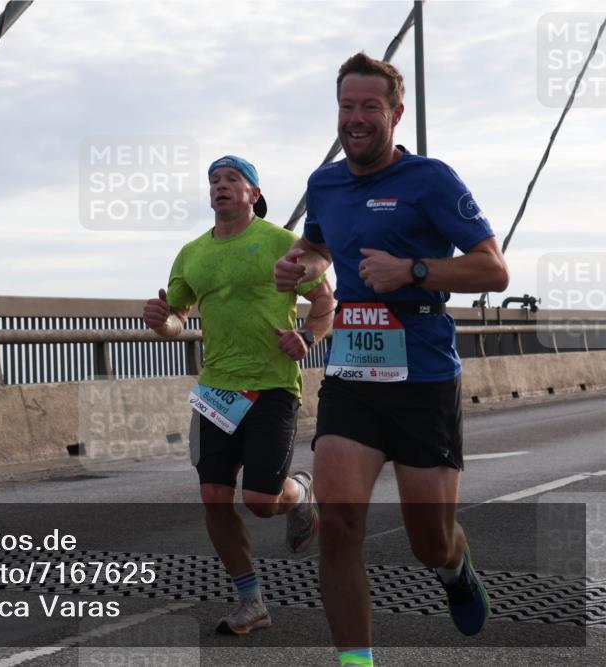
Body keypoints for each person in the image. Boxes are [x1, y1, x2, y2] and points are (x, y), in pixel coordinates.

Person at [275, 53, 509, 667]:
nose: (356, 118)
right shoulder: (323, 182)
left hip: (424, 373)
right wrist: (302, 264)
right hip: (353, 372)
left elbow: (493, 266)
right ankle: (357, 662)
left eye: (369, 107)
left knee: (429, 540)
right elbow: (320, 245)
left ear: (395, 113)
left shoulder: (432, 179)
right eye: (347, 106)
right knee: (341, 527)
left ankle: (454, 569)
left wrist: (414, 270)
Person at [143, 155, 336, 635]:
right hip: (216, 390)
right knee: (213, 496)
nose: (220, 187)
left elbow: (326, 303)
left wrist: (308, 339)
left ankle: (299, 494)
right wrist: (161, 320)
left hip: (271, 386)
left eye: (232, 180)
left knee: (260, 500)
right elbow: (177, 319)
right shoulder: (191, 254)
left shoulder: (282, 243)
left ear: (254, 192)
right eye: (213, 180)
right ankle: (251, 600)